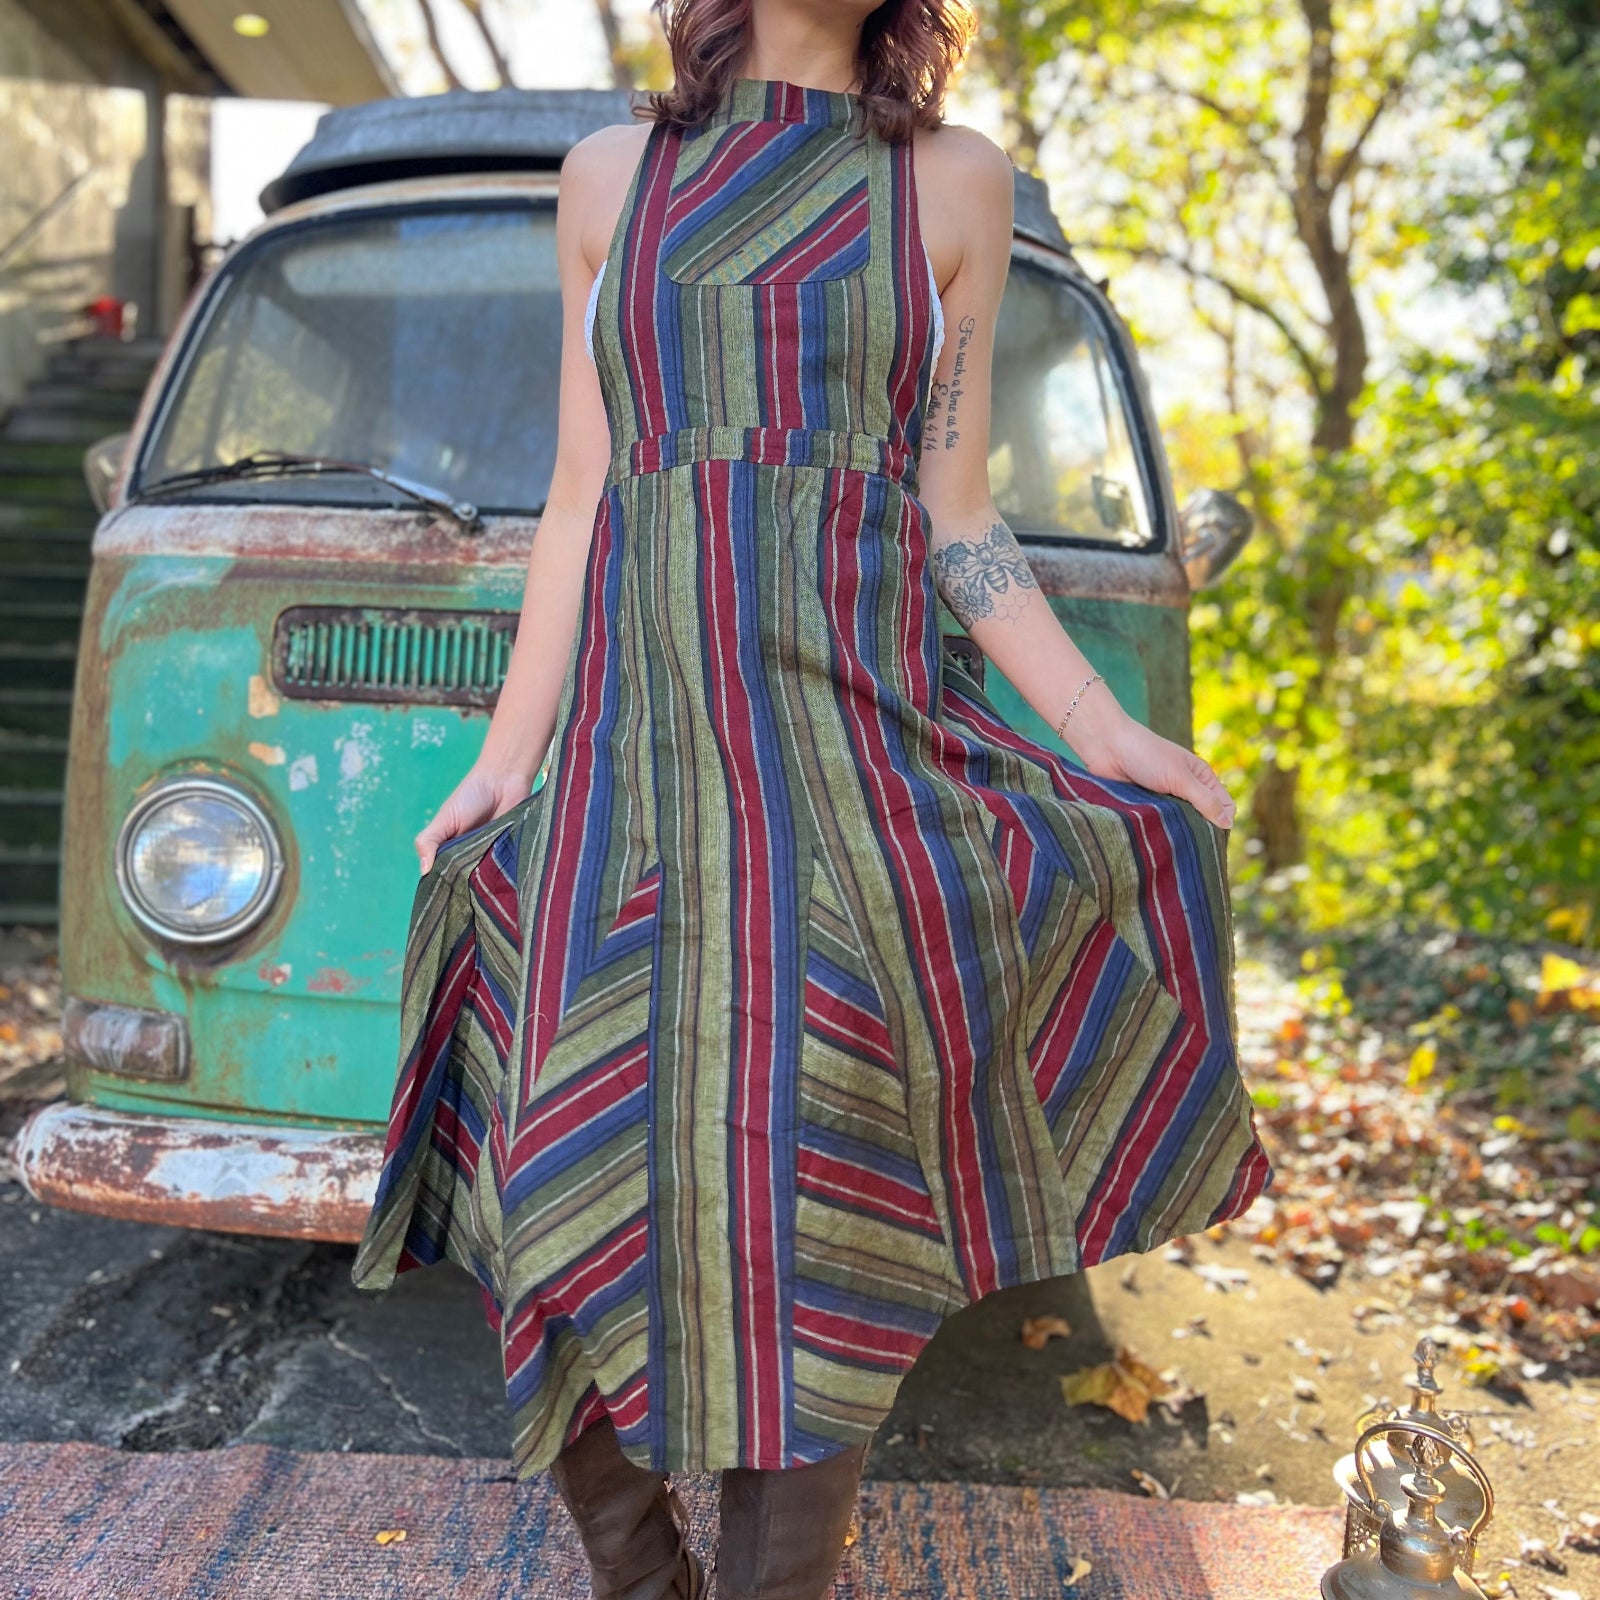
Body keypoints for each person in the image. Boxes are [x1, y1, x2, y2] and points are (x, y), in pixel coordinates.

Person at [350, 0, 1274, 1595]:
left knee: (812, 1206)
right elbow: (582, 498)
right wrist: (505, 758)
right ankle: (645, 1570)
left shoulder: (956, 185)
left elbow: (960, 511)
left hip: (853, 775)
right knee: (550, 1161)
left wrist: (1102, 728)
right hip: (633, 771)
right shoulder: (605, 181)